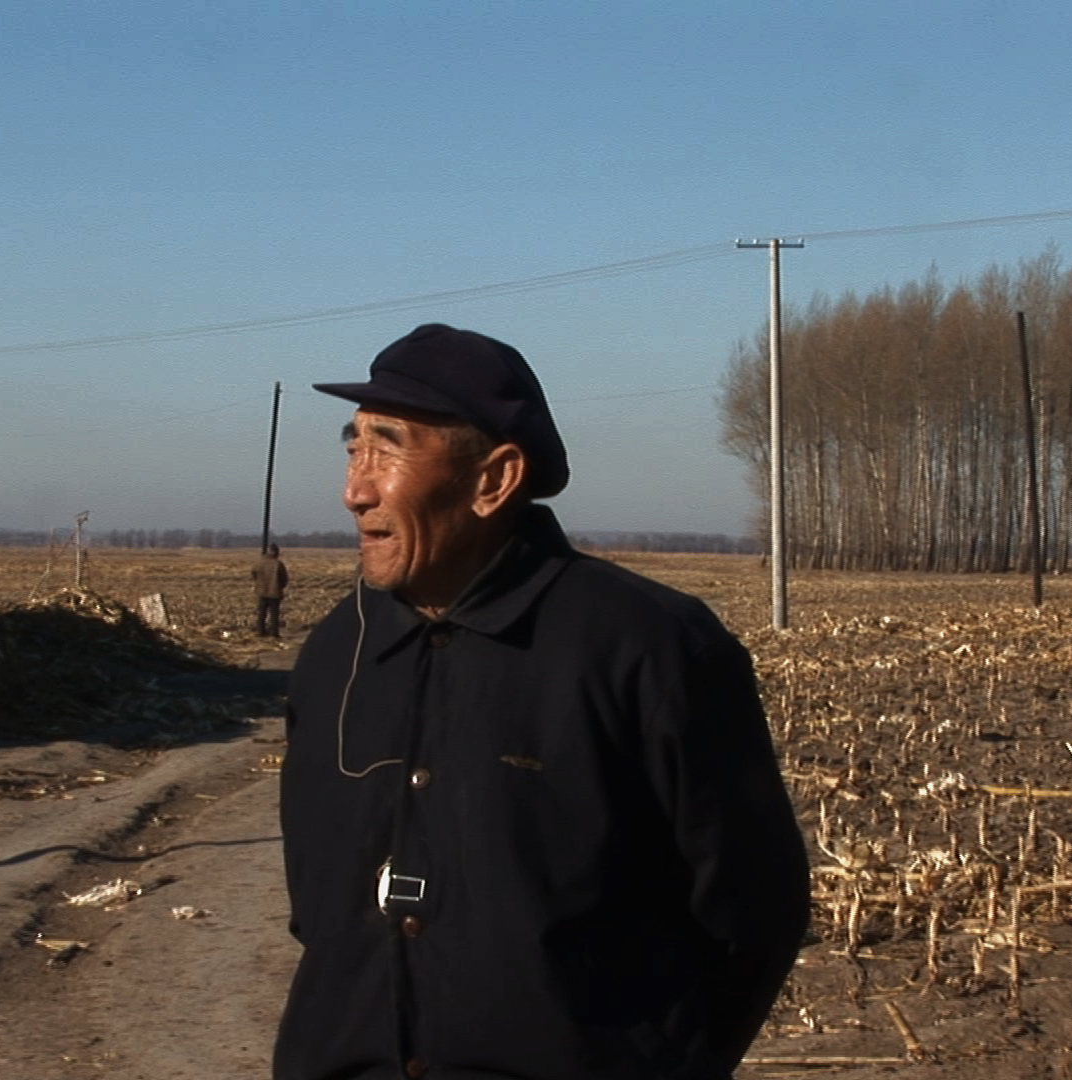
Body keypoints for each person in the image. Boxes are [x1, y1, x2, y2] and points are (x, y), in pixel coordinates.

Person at [275, 323, 811, 1080]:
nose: (354, 490)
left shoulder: (650, 648)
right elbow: (319, 908)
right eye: (352, 449)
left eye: (387, 451)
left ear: (493, 480)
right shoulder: (337, 652)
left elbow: (753, 914)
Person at [253, 543, 290, 637]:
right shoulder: (278, 563)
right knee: (274, 614)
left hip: (261, 592)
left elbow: (254, 574)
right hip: (274, 593)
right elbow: (284, 578)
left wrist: (258, 584)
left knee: (262, 613)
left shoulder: (259, 563)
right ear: (276, 552)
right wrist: (280, 586)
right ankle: (274, 634)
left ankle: (260, 632)